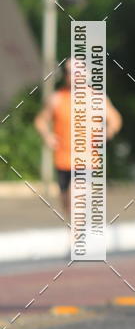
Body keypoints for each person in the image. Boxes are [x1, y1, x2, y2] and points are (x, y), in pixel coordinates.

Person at [34, 58, 122, 220]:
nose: (74, 77)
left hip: (87, 159)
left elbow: (115, 120)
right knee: (67, 204)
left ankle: (78, 236)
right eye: (69, 73)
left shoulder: (98, 99)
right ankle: (78, 230)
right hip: (63, 159)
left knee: (77, 197)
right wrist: (48, 136)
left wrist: (106, 133)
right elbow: (40, 121)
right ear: (66, 76)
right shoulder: (57, 98)